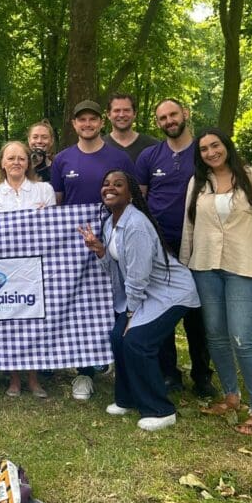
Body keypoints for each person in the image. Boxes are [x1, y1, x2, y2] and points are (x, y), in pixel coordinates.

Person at [180, 128, 252, 437]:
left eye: (215, 145)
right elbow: (189, 227)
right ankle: (230, 396)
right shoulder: (198, 183)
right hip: (205, 267)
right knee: (215, 336)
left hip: (244, 267)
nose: (211, 152)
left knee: (242, 339)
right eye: (204, 149)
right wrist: (186, 266)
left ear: (227, 146)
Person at [78, 170, 200, 431]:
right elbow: (117, 268)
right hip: (145, 294)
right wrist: (100, 250)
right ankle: (127, 398)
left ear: (131, 193)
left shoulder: (136, 225)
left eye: (118, 185)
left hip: (170, 294)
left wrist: (131, 314)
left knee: (136, 341)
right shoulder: (111, 222)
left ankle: (161, 410)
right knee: (117, 338)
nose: (110, 188)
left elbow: (137, 276)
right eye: (106, 184)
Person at [51, 100, 135, 400]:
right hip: (74, 245)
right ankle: (84, 372)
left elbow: (133, 197)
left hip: (114, 234)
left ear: (102, 123)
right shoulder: (62, 160)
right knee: (81, 304)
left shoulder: (119, 157)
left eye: (92, 119)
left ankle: (118, 361)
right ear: (74, 125)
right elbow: (58, 204)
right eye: (81, 120)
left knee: (119, 296)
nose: (87, 124)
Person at [135, 99, 215, 398]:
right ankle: (169, 373)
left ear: (185, 114)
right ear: (157, 123)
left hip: (201, 243)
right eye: (162, 117)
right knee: (164, 310)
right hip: (161, 244)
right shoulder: (149, 156)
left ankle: (202, 374)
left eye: (173, 114)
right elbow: (140, 200)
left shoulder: (204, 151)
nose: (169, 121)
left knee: (199, 313)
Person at [0, 141, 55, 398]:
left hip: (35, 267)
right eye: (11, 158)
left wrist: (48, 216)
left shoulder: (44, 190)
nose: (16, 162)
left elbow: (54, 229)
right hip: (4, 268)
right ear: (2, 163)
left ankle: (33, 378)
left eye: (21, 158)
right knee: (8, 321)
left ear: (29, 162)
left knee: (34, 321)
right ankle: (13, 379)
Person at [104, 93, 158, 162]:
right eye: (117, 110)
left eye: (126, 110)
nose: (121, 115)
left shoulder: (153, 146)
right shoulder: (98, 146)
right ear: (108, 115)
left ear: (134, 113)